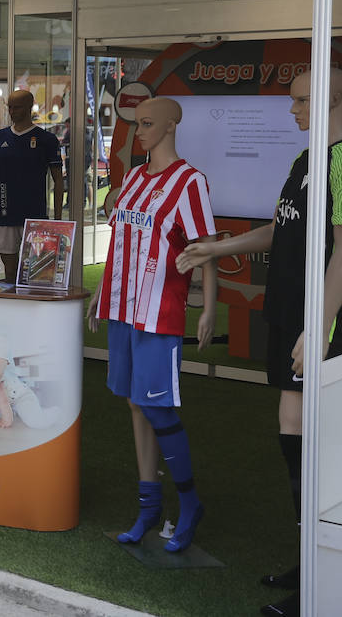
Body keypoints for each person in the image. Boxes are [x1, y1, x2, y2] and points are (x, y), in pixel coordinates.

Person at [177, 69, 342, 616]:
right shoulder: (305, 161)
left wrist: (319, 324)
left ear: (333, 99)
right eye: (293, 100)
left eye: (303, 100)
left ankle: (322, 574)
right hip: (289, 317)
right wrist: (218, 248)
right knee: (292, 436)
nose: (293, 110)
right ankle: (311, 558)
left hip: (322, 324)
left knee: (316, 446)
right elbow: (282, 230)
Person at [89, 97, 216, 554]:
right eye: (137, 123)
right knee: (134, 406)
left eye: (146, 123)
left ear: (169, 126)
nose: (138, 131)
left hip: (159, 311)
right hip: (122, 308)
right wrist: (101, 295)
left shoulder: (190, 182)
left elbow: (205, 248)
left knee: (157, 408)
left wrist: (209, 307)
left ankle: (189, 502)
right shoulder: (133, 181)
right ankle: (148, 509)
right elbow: (120, 244)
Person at [0, 89, 65, 276]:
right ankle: (11, 302)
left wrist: (58, 218)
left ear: (29, 107)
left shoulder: (47, 140)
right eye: (10, 107)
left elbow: (58, 180)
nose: (12, 111)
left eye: (17, 107)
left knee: (35, 271)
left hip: (35, 214)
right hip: (5, 213)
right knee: (9, 270)